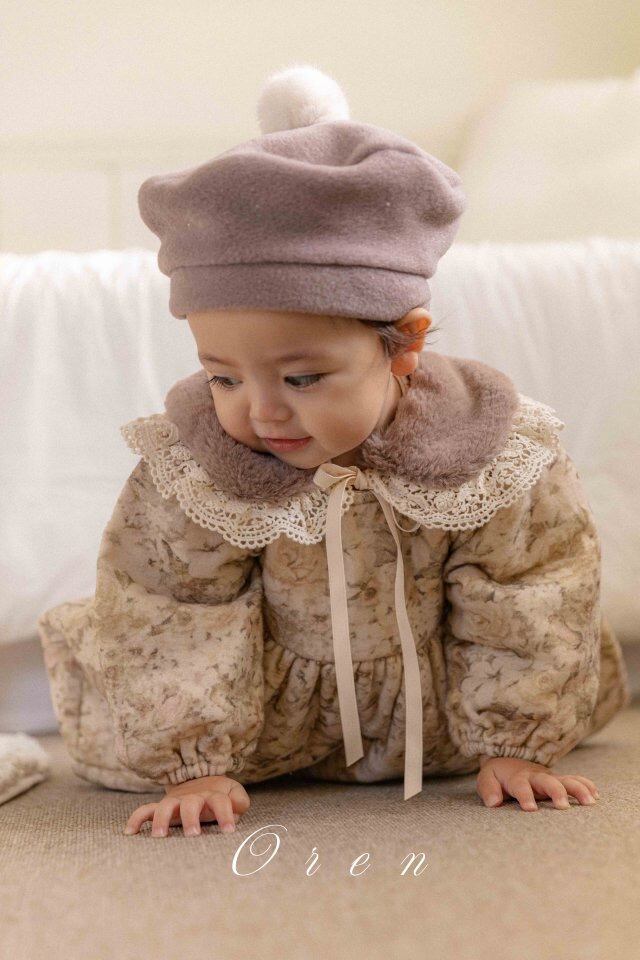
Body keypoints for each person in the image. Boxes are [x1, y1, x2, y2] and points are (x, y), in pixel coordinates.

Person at [37, 65, 630, 839]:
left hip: (446, 722)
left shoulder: (487, 454)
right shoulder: (199, 470)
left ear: (405, 344)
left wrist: (518, 741)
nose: (260, 411)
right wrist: (193, 763)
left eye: (302, 377)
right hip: (255, 728)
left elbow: (530, 592)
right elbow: (170, 605)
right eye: (223, 376)